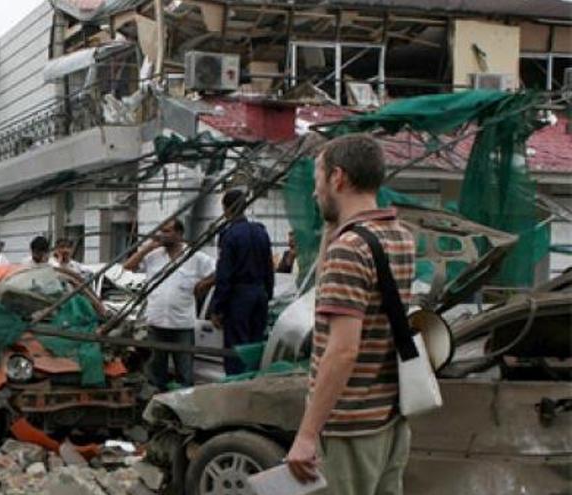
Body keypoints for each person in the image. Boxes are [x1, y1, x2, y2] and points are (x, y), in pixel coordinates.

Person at [286, 134, 415, 495]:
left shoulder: (351, 249)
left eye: (317, 181)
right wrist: (333, 226)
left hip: (348, 429)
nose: (314, 194)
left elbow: (343, 350)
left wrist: (307, 435)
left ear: (337, 178)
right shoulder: (399, 235)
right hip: (389, 418)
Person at [124, 219, 214, 390]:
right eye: (162, 231)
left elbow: (217, 272)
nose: (163, 235)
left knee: (184, 374)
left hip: (182, 325)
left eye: (168, 231)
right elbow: (128, 266)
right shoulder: (153, 256)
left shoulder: (195, 257)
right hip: (156, 324)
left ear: (180, 234)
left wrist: (202, 286)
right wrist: (149, 247)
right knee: (155, 374)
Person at [209, 189, 274, 376]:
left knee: (236, 351)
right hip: (259, 295)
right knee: (254, 348)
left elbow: (224, 275)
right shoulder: (261, 232)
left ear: (226, 209)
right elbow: (269, 267)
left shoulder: (229, 235)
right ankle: (252, 386)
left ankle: (236, 387)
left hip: (239, 297)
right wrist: (267, 294)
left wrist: (217, 308)